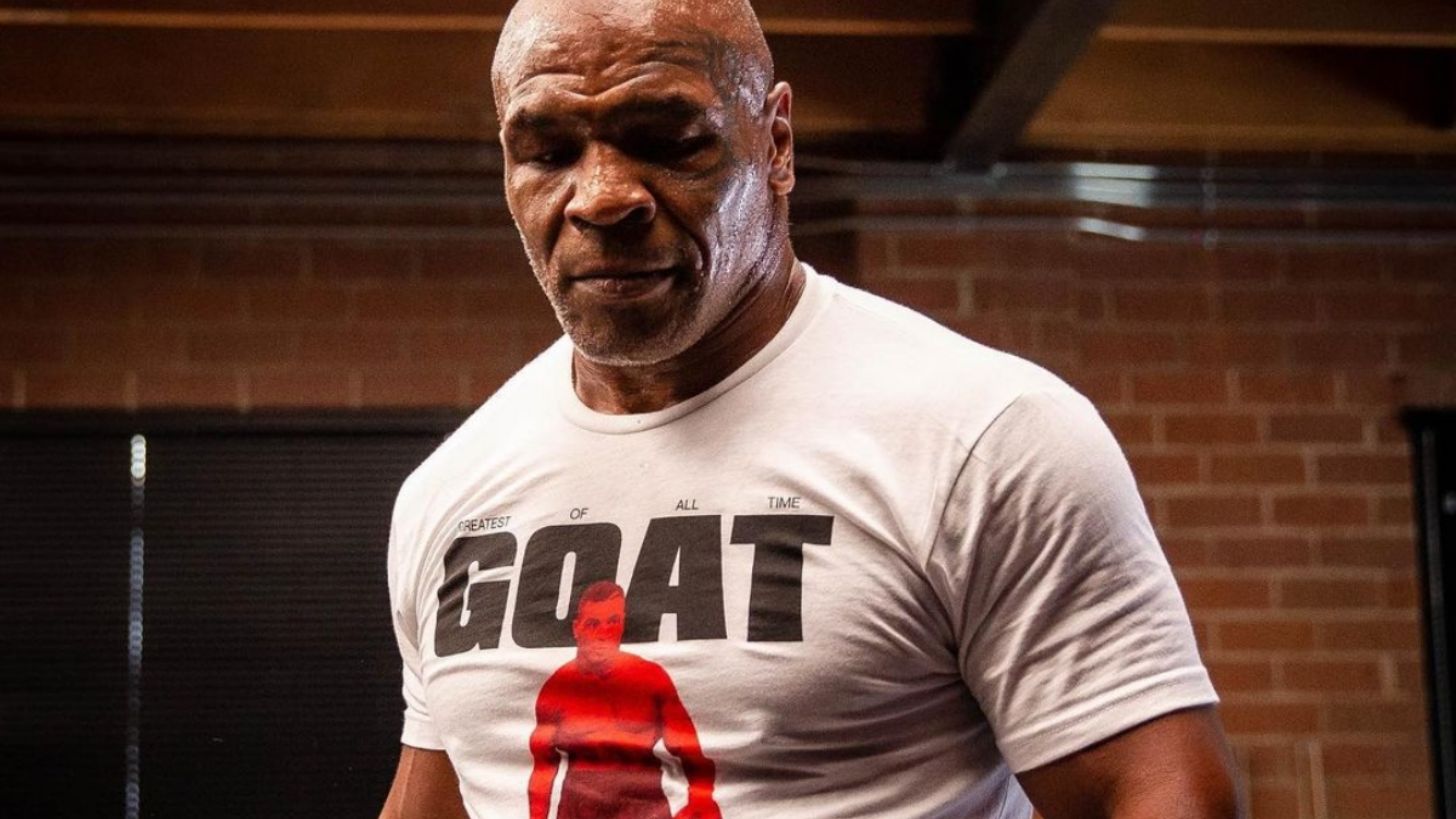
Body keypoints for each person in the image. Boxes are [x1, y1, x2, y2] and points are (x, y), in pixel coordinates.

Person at [379, 0, 1242, 816]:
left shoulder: (986, 437)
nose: (603, 196)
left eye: (669, 142)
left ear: (777, 145)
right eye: (548, 152)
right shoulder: (452, 489)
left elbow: (1159, 792)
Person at [529, 581, 719, 819]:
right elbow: (543, 770)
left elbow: (692, 754)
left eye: (613, 622)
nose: (603, 633)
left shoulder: (651, 679)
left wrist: (701, 799)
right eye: (593, 624)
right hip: (580, 811)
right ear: (576, 629)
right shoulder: (557, 689)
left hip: (644, 810)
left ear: (623, 624)